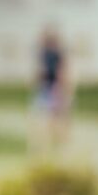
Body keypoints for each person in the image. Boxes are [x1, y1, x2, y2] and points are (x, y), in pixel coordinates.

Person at [30, 26, 73, 154]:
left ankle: (60, 137)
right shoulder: (43, 53)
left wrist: (63, 86)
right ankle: (53, 137)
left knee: (58, 113)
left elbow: (61, 71)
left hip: (54, 86)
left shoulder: (56, 53)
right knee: (49, 113)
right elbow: (41, 71)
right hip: (46, 86)